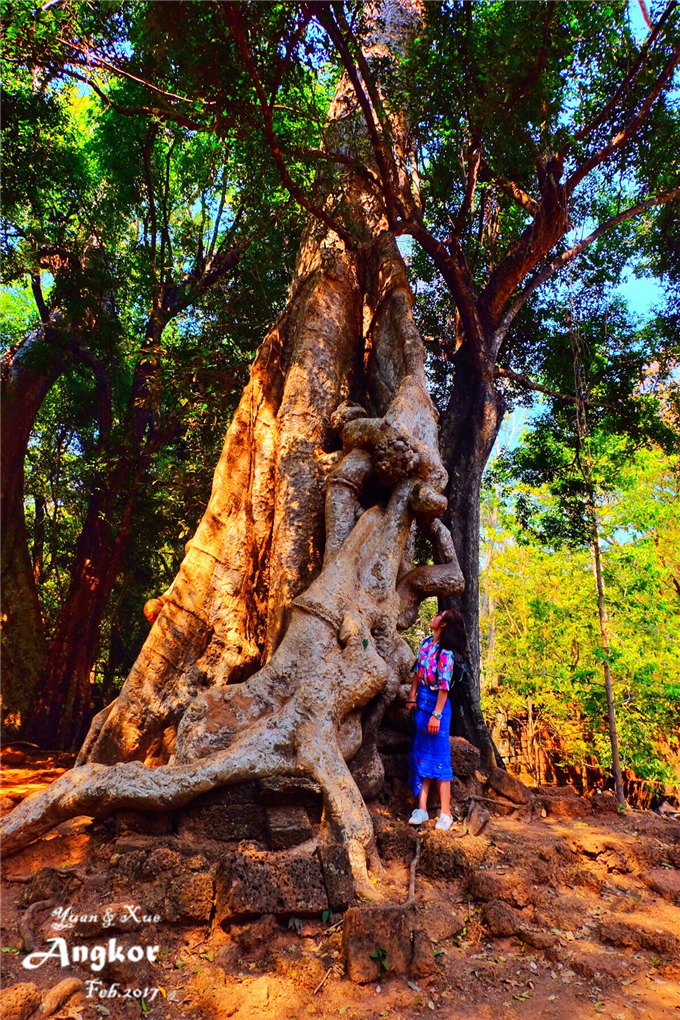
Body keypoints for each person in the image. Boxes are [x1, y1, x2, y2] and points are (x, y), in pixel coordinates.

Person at [406, 608, 467, 831]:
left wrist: (437, 715)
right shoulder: (425, 643)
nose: (436, 615)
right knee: (420, 756)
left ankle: (445, 813)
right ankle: (421, 809)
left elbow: (444, 687)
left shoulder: (446, 653)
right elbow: (416, 672)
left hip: (437, 709)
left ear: (443, 624)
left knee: (440, 759)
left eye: (440, 614)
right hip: (421, 704)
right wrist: (412, 697)